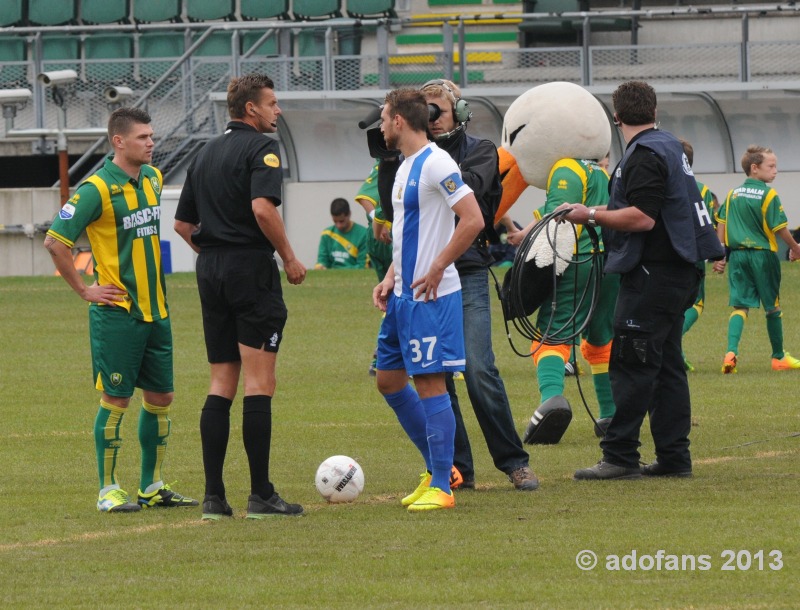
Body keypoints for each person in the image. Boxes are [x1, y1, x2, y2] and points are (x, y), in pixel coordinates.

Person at [556, 80, 723, 480]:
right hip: (677, 270)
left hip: (653, 272)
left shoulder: (644, 154)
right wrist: (589, 209)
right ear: (654, 111)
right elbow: (646, 208)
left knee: (631, 363)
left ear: (616, 116)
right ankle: (673, 457)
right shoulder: (667, 146)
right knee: (665, 366)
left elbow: (643, 217)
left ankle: (620, 456)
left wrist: (590, 216)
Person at [44, 107, 197, 512]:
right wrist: (84, 290)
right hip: (118, 314)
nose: (151, 142)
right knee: (116, 399)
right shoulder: (95, 189)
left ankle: (151, 485)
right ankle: (108, 489)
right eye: (143, 137)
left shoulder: (152, 178)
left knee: (161, 397)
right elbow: (56, 242)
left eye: (151, 135)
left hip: (157, 311)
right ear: (119, 141)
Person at [174, 73, 307, 519]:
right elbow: (261, 207)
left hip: (209, 270)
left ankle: (214, 497)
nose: (278, 111)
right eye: (272, 103)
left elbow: (181, 225)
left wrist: (215, 252)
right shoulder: (262, 149)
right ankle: (262, 495)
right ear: (251, 109)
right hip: (249, 269)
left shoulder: (205, 152)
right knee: (259, 383)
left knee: (220, 382)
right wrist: (288, 258)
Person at [420, 79, 538, 490]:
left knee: (478, 369)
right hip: (424, 275)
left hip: (466, 271)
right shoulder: (412, 157)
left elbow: (467, 187)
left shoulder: (481, 151)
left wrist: (426, 161)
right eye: (424, 112)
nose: (431, 120)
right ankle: (457, 468)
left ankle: (513, 461)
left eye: (438, 110)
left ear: (460, 113)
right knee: (436, 373)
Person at [373, 87, 484, 511]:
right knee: (388, 380)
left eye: (384, 118)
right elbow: (407, 233)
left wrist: (439, 266)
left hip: (431, 297)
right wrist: (390, 276)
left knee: (430, 383)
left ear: (399, 120)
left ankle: (442, 484)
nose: (381, 126)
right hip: (404, 295)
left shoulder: (438, 162)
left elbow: (473, 219)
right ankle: (439, 468)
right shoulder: (404, 167)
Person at [508, 155, 619, 443]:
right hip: (609, 263)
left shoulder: (567, 167)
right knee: (601, 337)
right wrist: (522, 233)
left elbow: (558, 215)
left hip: (578, 261)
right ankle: (609, 414)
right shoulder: (602, 173)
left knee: (550, 335)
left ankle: (551, 401)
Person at [713, 145, 800, 373]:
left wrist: (720, 253)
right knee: (772, 307)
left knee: (740, 306)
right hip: (763, 257)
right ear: (754, 168)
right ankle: (778, 357)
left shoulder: (732, 194)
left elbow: (721, 223)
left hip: (738, 257)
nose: (775, 171)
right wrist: (795, 247)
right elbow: (780, 228)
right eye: (771, 166)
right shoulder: (768, 194)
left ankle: (730, 352)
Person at [678, 138, 717, 372]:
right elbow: (707, 224)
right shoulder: (701, 189)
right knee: (696, 304)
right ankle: (672, 345)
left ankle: (675, 352)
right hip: (693, 253)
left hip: (669, 252)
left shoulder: (665, 183)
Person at [354, 161, 395, 376]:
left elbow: (365, 197)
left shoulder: (385, 161)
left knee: (391, 297)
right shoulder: (403, 158)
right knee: (407, 295)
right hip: (391, 239)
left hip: (376, 238)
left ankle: (382, 358)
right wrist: (385, 224)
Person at [314, 197, 369, 269]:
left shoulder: (364, 234)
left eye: (341, 221)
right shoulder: (326, 234)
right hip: (330, 277)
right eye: (335, 221)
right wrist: (320, 266)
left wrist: (336, 270)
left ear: (349, 214)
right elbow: (322, 261)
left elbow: (363, 266)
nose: (338, 225)